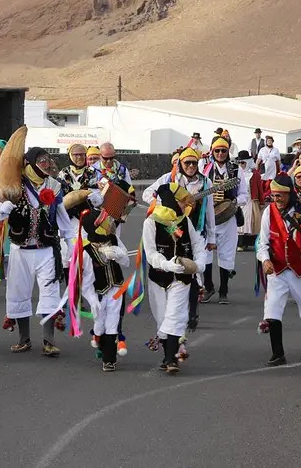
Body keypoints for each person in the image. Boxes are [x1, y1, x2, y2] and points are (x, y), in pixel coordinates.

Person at [0, 146, 75, 356]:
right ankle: (24, 339)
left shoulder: (54, 186)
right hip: (20, 249)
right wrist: (5, 208)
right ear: (30, 163)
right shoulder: (15, 185)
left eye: (48, 160)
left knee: (50, 293)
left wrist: (73, 247)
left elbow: (63, 219)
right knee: (19, 293)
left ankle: (48, 341)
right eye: (42, 161)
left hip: (47, 250)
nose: (47, 164)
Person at [256, 173, 301, 366]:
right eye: (273, 195)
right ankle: (278, 353)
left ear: (290, 194)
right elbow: (262, 243)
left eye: (280, 195)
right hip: (277, 270)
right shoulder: (268, 213)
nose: (276, 199)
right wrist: (264, 260)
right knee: (272, 311)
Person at [142, 148, 215, 331]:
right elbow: (147, 194)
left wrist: (212, 236)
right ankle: (169, 316)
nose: (191, 166)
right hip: (167, 229)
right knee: (169, 270)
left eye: (194, 163)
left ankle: (191, 313)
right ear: (180, 164)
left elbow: (210, 212)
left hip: (193, 230)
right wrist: (164, 206)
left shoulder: (205, 182)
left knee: (191, 272)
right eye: (187, 163)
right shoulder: (168, 179)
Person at [68, 179, 136, 372]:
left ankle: (109, 358)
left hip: (117, 288)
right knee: (100, 322)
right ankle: (98, 339)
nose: (110, 225)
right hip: (99, 291)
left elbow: (126, 262)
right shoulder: (87, 251)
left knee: (113, 322)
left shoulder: (113, 239)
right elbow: (86, 282)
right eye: (106, 223)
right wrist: (92, 301)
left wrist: (119, 254)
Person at [141, 182, 206, 374]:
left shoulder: (185, 221)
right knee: (162, 318)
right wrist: (167, 264)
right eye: (181, 200)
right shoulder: (151, 222)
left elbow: (197, 244)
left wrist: (199, 264)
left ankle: (171, 359)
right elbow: (150, 253)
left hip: (182, 278)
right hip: (159, 278)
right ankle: (168, 354)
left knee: (175, 315)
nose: (185, 204)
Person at [201, 136, 247, 304]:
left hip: (228, 217)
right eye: (217, 150)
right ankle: (208, 286)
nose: (220, 153)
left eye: (223, 150)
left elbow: (244, 194)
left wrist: (234, 202)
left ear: (228, 152)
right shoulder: (204, 167)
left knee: (226, 253)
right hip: (207, 217)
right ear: (212, 152)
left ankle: (224, 290)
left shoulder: (235, 170)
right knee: (205, 252)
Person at [236, 151, 262, 250]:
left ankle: (247, 243)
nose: (241, 165)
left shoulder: (254, 174)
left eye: (243, 163)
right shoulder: (236, 173)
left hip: (250, 200)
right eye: (239, 163)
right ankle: (240, 243)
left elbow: (259, 188)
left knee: (248, 222)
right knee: (239, 222)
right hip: (239, 200)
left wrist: (261, 201)